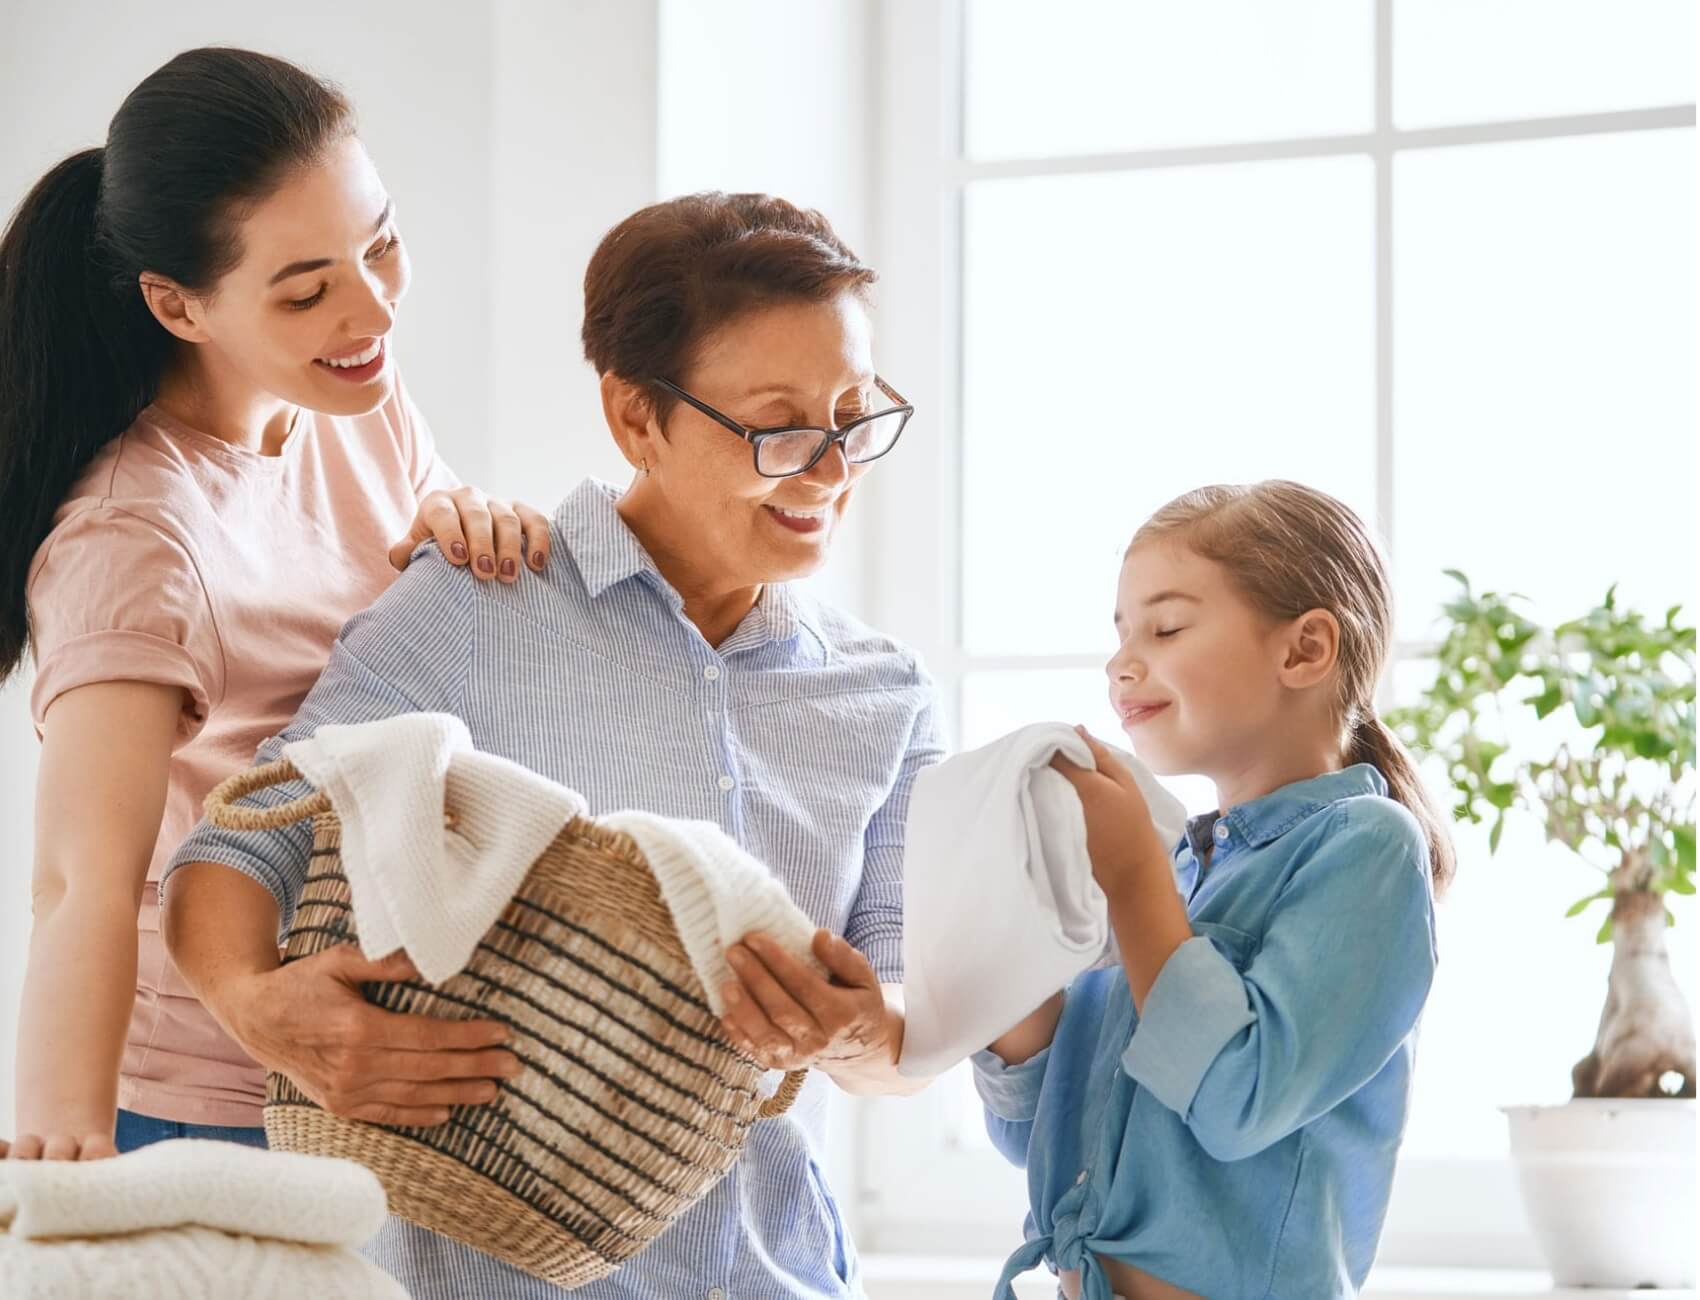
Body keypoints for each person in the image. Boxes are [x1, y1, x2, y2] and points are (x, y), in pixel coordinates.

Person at [162, 192, 942, 1297]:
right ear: (635, 417)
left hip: (769, 1273)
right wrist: (256, 1004)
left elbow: (908, 1017)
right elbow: (245, 837)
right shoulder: (478, 605)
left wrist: (861, 1029)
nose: (829, 471)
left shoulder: (887, 695)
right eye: (778, 428)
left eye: (853, 417)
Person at [1, 47, 550, 1161]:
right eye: (306, 290)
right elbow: (79, 884)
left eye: (381, 244)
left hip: (371, 1081)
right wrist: (62, 1151)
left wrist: (467, 524)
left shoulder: (352, 405)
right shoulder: (133, 540)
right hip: (204, 1103)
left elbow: (406, 587)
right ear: (178, 304)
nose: (371, 307)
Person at [979, 481, 1455, 1299]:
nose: (1122, 662)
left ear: (1305, 650)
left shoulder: (1367, 850)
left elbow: (1239, 1102)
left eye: (1165, 627)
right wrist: (1018, 944)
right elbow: (1034, 1135)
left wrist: (1131, 883)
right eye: (1122, 633)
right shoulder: (1168, 865)